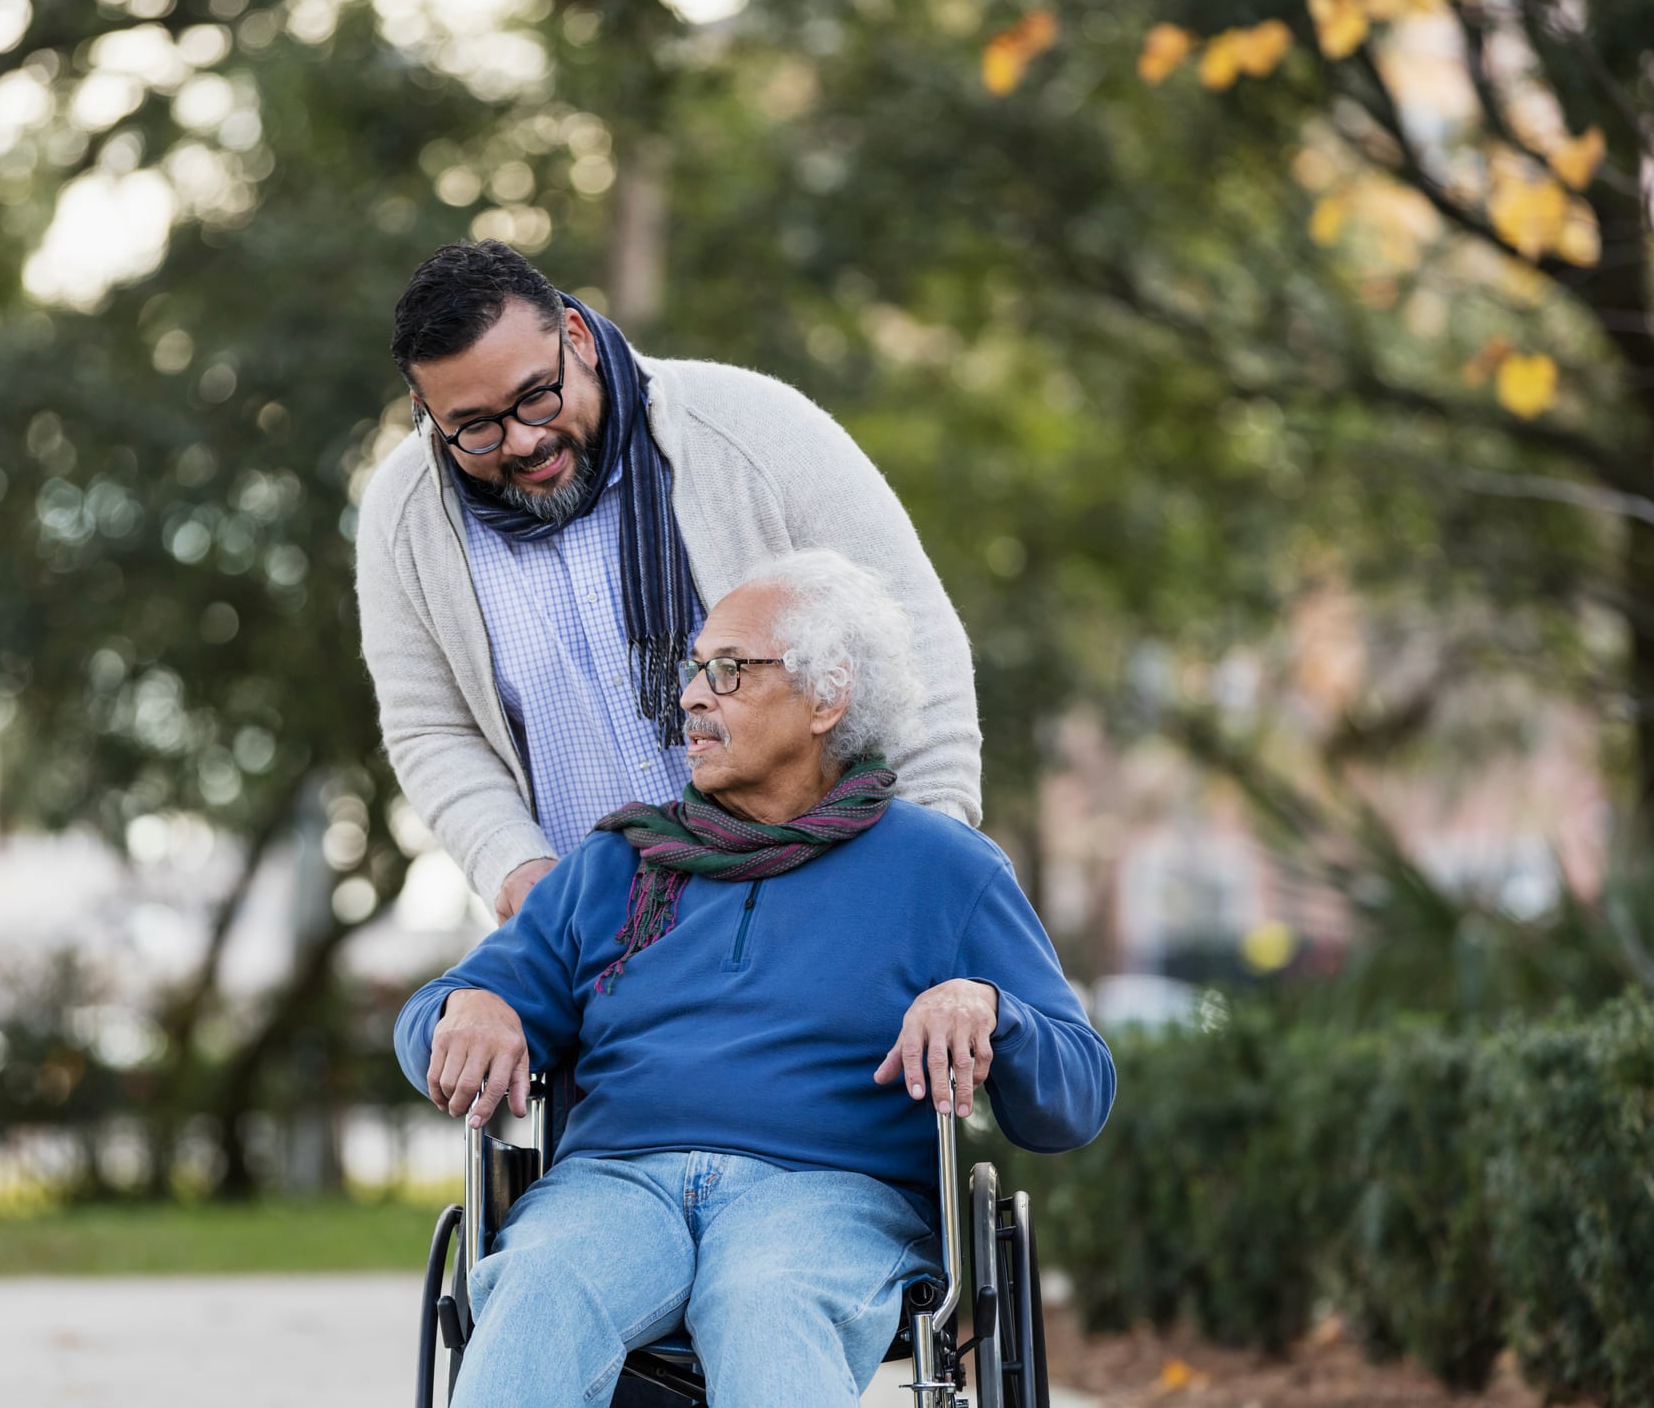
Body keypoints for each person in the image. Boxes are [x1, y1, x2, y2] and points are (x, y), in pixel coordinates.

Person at [394, 550, 1114, 1408]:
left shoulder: (942, 869)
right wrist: (464, 1009)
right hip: (615, 1186)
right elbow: (433, 1019)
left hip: (830, 1197)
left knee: (761, 1299)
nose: (693, 696)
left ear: (826, 697)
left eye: (729, 671)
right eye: (693, 670)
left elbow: (1077, 1096)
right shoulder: (617, 864)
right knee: (538, 1283)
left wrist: (989, 1009)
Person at [356, 241, 982, 922]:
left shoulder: (757, 429)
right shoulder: (403, 516)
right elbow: (430, 728)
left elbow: (913, 644)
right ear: (424, 408)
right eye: (473, 427)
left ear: (576, 337)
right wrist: (514, 867)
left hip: (824, 912)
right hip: (605, 950)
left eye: (536, 397)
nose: (520, 441)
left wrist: (926, 869)